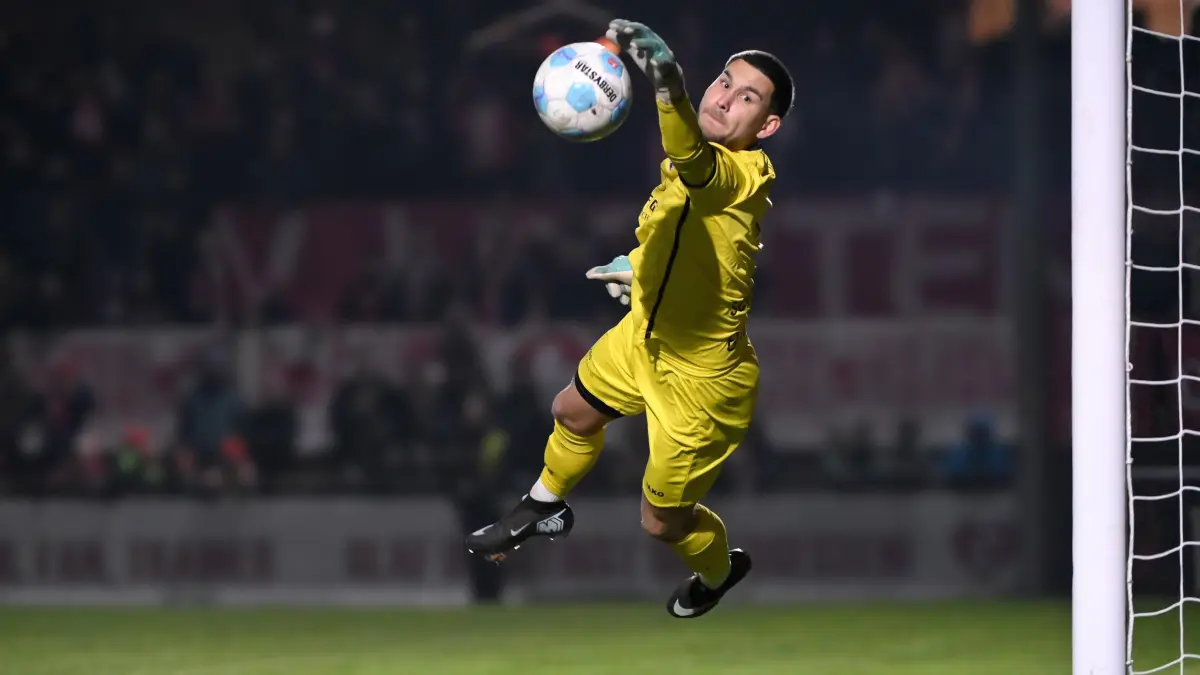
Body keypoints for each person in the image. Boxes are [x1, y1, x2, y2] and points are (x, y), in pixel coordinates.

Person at [466, 19, 794, 619]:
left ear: (767, 126)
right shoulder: (689, 168)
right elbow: (683, 238)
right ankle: (545, 508)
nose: (724, 96)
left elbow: (694, 165)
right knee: (571, 409)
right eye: (724, 81)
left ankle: (720, 572)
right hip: (646, 336)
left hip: (701, 382)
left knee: (661, 521)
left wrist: (668, 86)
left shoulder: (740, 175)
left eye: (747, 97)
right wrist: (635, 266)